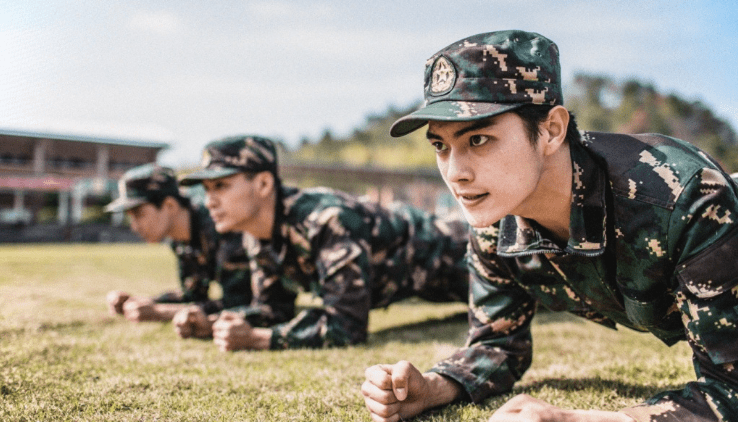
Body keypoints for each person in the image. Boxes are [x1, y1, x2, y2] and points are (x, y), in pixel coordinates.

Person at [360, 30, 738, 422]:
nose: (455, 174)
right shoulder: (495, 220)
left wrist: (574, 420)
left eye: (478, 139)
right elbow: (497, 346)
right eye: (440, 146)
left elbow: (731, 391)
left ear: (551, 130)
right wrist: (433, 388)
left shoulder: (685, 199)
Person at [176, 135, 470, 351]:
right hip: (434, 285)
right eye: (206, 189)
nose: (209, 200)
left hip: (466, 254)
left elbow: (346, 326)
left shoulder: (326, 219)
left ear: (264, 184)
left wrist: (258, 340)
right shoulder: (259, 236)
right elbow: (273, 310)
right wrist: (213, 322)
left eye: (221, 186)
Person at [104, 163, 251, 324]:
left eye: (139, 214)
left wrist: (161, 312)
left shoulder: (220, 228)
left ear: (170, 205)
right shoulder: (181, 241)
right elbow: (192, 295)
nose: (134, 226)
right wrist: (143, 302)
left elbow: (241, 302)